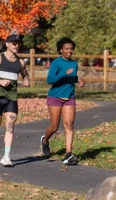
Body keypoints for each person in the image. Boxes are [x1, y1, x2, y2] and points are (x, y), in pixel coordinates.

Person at [0, 33, 30, 167]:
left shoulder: (20, 62)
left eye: (18, 43)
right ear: (7, 44)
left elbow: (25, 76)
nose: (16, 45)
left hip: (12, 98)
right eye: (14, 43)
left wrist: (26, 81)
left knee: (10, 125)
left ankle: (6, 156)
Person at [40, 37, 84, 165]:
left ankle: (68, 154)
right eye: (67, 49)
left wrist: (78, 80)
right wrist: (64, 73)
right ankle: (45, 140)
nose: (70, 51)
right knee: (54, 127)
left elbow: (71, 77)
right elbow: (50, 80)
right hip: (55, 97)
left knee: (69, 124)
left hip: (69, 96)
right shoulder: (56, 63)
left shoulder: (74, 64)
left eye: (71, 49)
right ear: (61, 50)